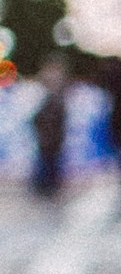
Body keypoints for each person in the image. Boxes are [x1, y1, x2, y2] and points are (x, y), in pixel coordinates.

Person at [28, 65, 69, 201]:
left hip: (50, 139)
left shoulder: (53, 100)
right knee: (48, 163)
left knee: (48, 163)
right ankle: (45, 187)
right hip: (50, 139)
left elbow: (42, 119)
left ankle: (46, 187)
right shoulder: (54, 99)